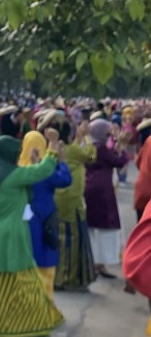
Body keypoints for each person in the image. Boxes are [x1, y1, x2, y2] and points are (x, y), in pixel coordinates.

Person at [0, 133, 64, 337]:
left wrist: (36, 161)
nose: (17, 157)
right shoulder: (11, 176)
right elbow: (43, 172)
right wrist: (53, 148)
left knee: (29, 286)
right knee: (4, 290)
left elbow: (33, 177)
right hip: (6, 238)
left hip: (6, 236)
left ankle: (36, 334)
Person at [18, 131, 72, 300]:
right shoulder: (45, 172)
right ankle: (44, 305)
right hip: (46, 219)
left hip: (25, 219)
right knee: (45, 258)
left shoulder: (19, 170)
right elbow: (65, 180)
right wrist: (61, 162)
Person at [54, 119, 97, 291]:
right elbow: (91, 155)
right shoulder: (70, 150)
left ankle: (63, 276)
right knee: (70, 240)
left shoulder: (60, 148)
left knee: (65, 238)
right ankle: (66, 278)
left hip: (64, 197)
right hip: (71, 200)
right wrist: (86, 137)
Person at [85, 119, 129, 279]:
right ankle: (101, 263)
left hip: (89, 187)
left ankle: (94, 261)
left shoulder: (89, 147)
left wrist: (117, 146)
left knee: (92, 227)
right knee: (105, 228)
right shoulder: (102, 149)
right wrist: (122, 147)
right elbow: (119, 161)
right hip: (103, 190)